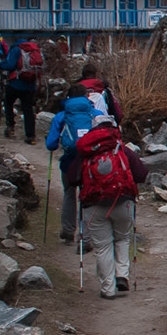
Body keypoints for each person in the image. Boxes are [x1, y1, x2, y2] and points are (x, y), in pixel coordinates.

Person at [74, 114, 147, 298]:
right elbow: (141, 174)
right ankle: (122, 276)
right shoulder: (121, 148)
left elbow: (72, 178)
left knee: (103, 246)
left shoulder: (86, 150)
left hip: (94, 205)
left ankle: (108, 288)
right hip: (123, 202)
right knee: (122, 239)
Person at [46, 84, 105, 242]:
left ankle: (67, 230)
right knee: (89, 197)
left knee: (69, 194)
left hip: (69, 163)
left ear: (68, 98)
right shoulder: (96, 114)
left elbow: (51, 144)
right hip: (91, 164)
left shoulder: (62, 116)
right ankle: (86, 235)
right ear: (87, 97)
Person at [0, 37, 44, 142]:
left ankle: (10, 127)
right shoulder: (35, 50)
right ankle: (30, 136)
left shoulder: (16, 49)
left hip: (16, 83)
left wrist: (0, 64)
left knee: (8, 102)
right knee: (28, 110)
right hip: (30, 85)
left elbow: (10, 65)